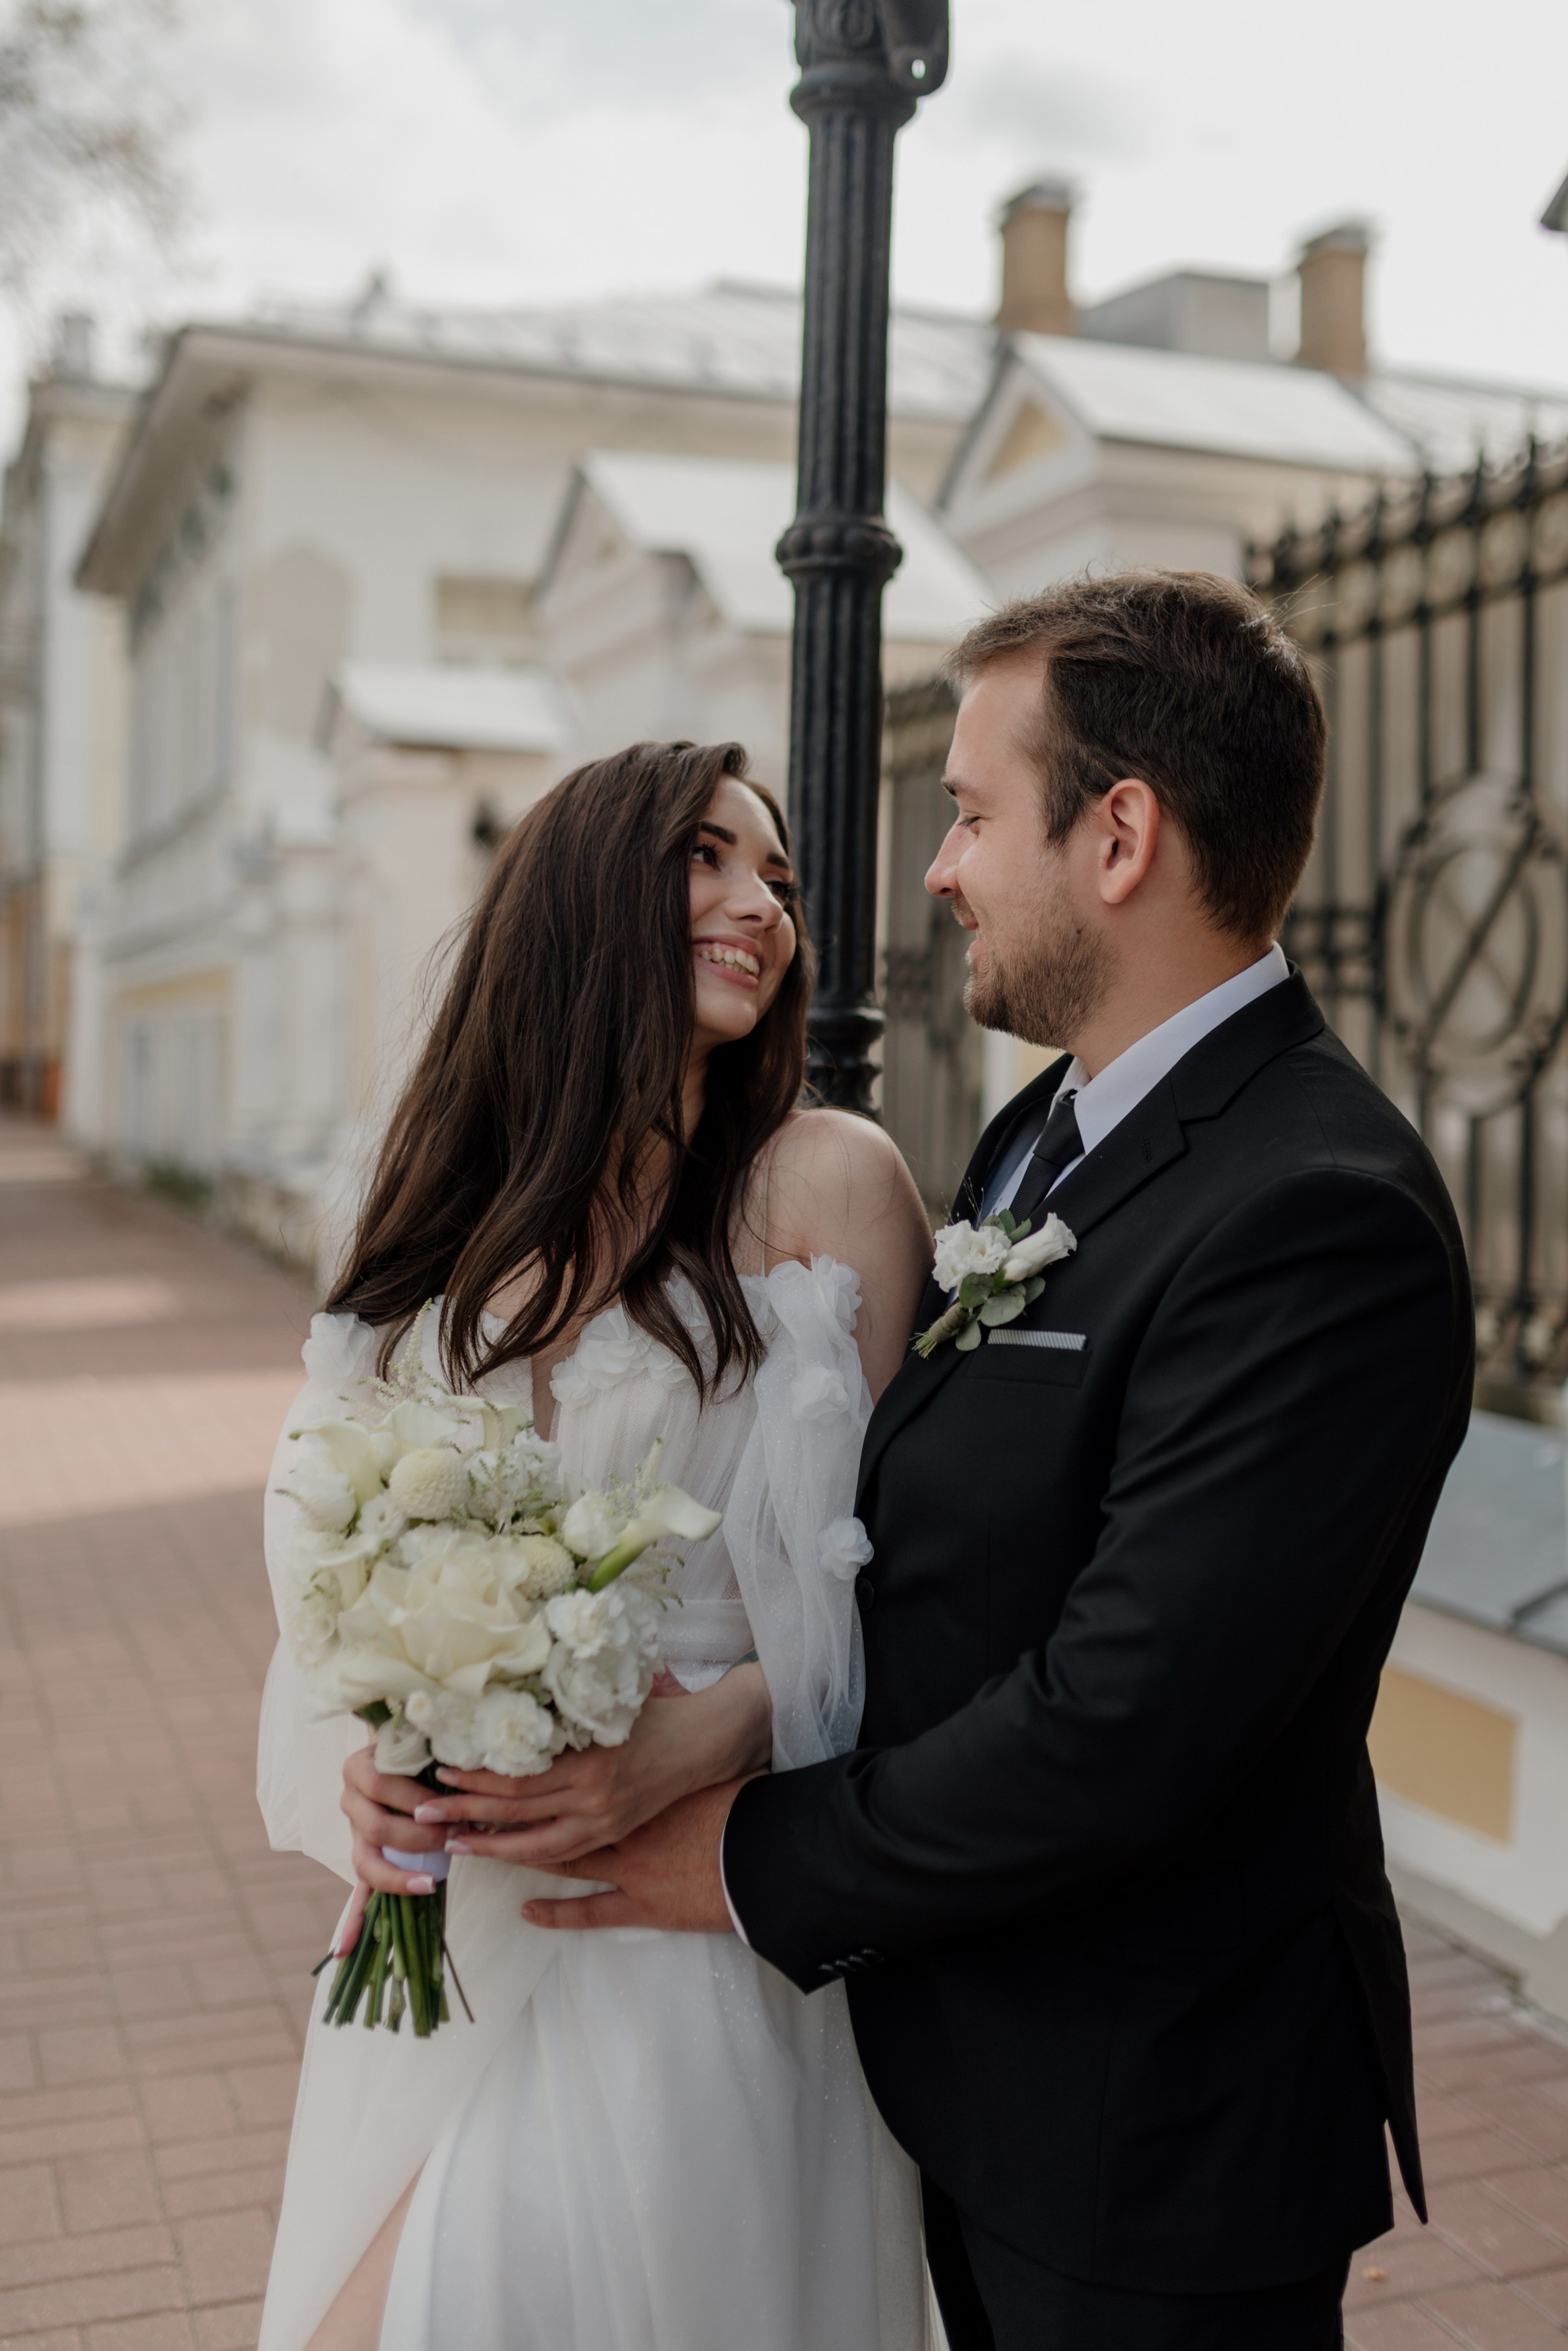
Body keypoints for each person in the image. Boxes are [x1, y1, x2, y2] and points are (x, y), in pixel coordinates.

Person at [543, 573, 1477, 2351]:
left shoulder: (1317, 1214)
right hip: (982, 2062)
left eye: (972, 813)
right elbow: (931, 1548)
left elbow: (1126, 1716)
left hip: (1155, 2127)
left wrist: (745, 1860)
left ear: (1119, 836)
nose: (937, 867)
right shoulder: (1046, 1132)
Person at [254, 740, 934, 2351]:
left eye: (773, 875)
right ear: (586, 894)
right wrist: (378, 1744)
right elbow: (331, 1517)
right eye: (705, 857)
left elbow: (917, 1568)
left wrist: (725, 1722)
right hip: (470, 1907)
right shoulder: (445, 1207)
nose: (755, 903)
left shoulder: (829, 1185)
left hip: (692, 1896)